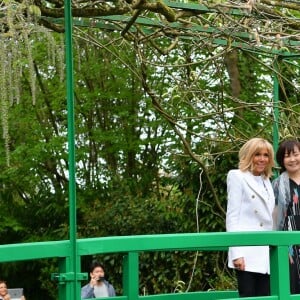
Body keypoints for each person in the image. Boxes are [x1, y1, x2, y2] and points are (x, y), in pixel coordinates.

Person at [226, 137, 275, 297]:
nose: (262, 159)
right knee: (248, 295)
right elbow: (232, 217)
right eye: (257, 154)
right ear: (249, 155)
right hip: (246, 252)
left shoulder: (267, 180)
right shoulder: (237, 176)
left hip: (265, 251)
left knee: (265, 295)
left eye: (266, 155)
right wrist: (236, 252)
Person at [272, 139, 300, 294]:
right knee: (292, 286)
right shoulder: (277, 184)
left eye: (296, 154)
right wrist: (281, 247)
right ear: (282, 160)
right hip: (288, 242)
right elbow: (275, 219)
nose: (292, 159)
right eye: (287, 156)